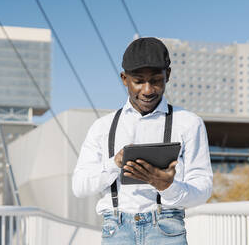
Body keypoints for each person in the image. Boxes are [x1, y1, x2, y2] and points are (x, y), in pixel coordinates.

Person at [72, 37, 213, 244]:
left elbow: (203, 189)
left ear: (168, 75)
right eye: (138, 81)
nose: (147, 90)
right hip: (116, 231)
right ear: (124, 79)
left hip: (167, 230)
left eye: (156, 80)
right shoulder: (102, 127)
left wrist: (167, 186)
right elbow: (79, 187)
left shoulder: (189, 123)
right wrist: (115, 164)